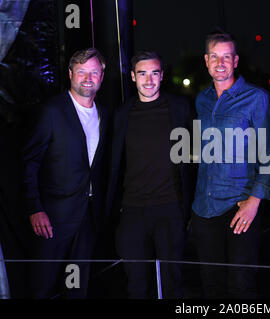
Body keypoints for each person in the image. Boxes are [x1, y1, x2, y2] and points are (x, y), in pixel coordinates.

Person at [191, 30, 270, 298]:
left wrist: (255, 201)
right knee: (210, 285)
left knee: (241, 286)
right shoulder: (202, 100)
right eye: (214, 56)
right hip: (204, 208)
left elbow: (269, 153)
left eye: (226, 56)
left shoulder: (256, 98)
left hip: (239, 206)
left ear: (236, 61)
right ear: (206, 60)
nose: (220, 62)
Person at [23, 48, 110, 298]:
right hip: (52, 219)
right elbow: (30, 162)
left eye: (94, 72)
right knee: (42, 287)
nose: (87, 78)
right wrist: (34, 208)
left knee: (77, 288)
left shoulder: (105, 113)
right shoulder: (51, 111)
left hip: (88, 219)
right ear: (70, 74)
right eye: (81, 72)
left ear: (102, 76)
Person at [106, 51, 194, 299]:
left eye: (154, 73)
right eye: (142, 74)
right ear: (133, 77)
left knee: (172, 283)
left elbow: (192, 158)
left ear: (161, 76)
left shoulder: (179, 108)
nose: (148, 80)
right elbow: (113, 163)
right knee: (136, 284)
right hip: (132, 210)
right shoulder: (122, 114)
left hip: (170, 209)